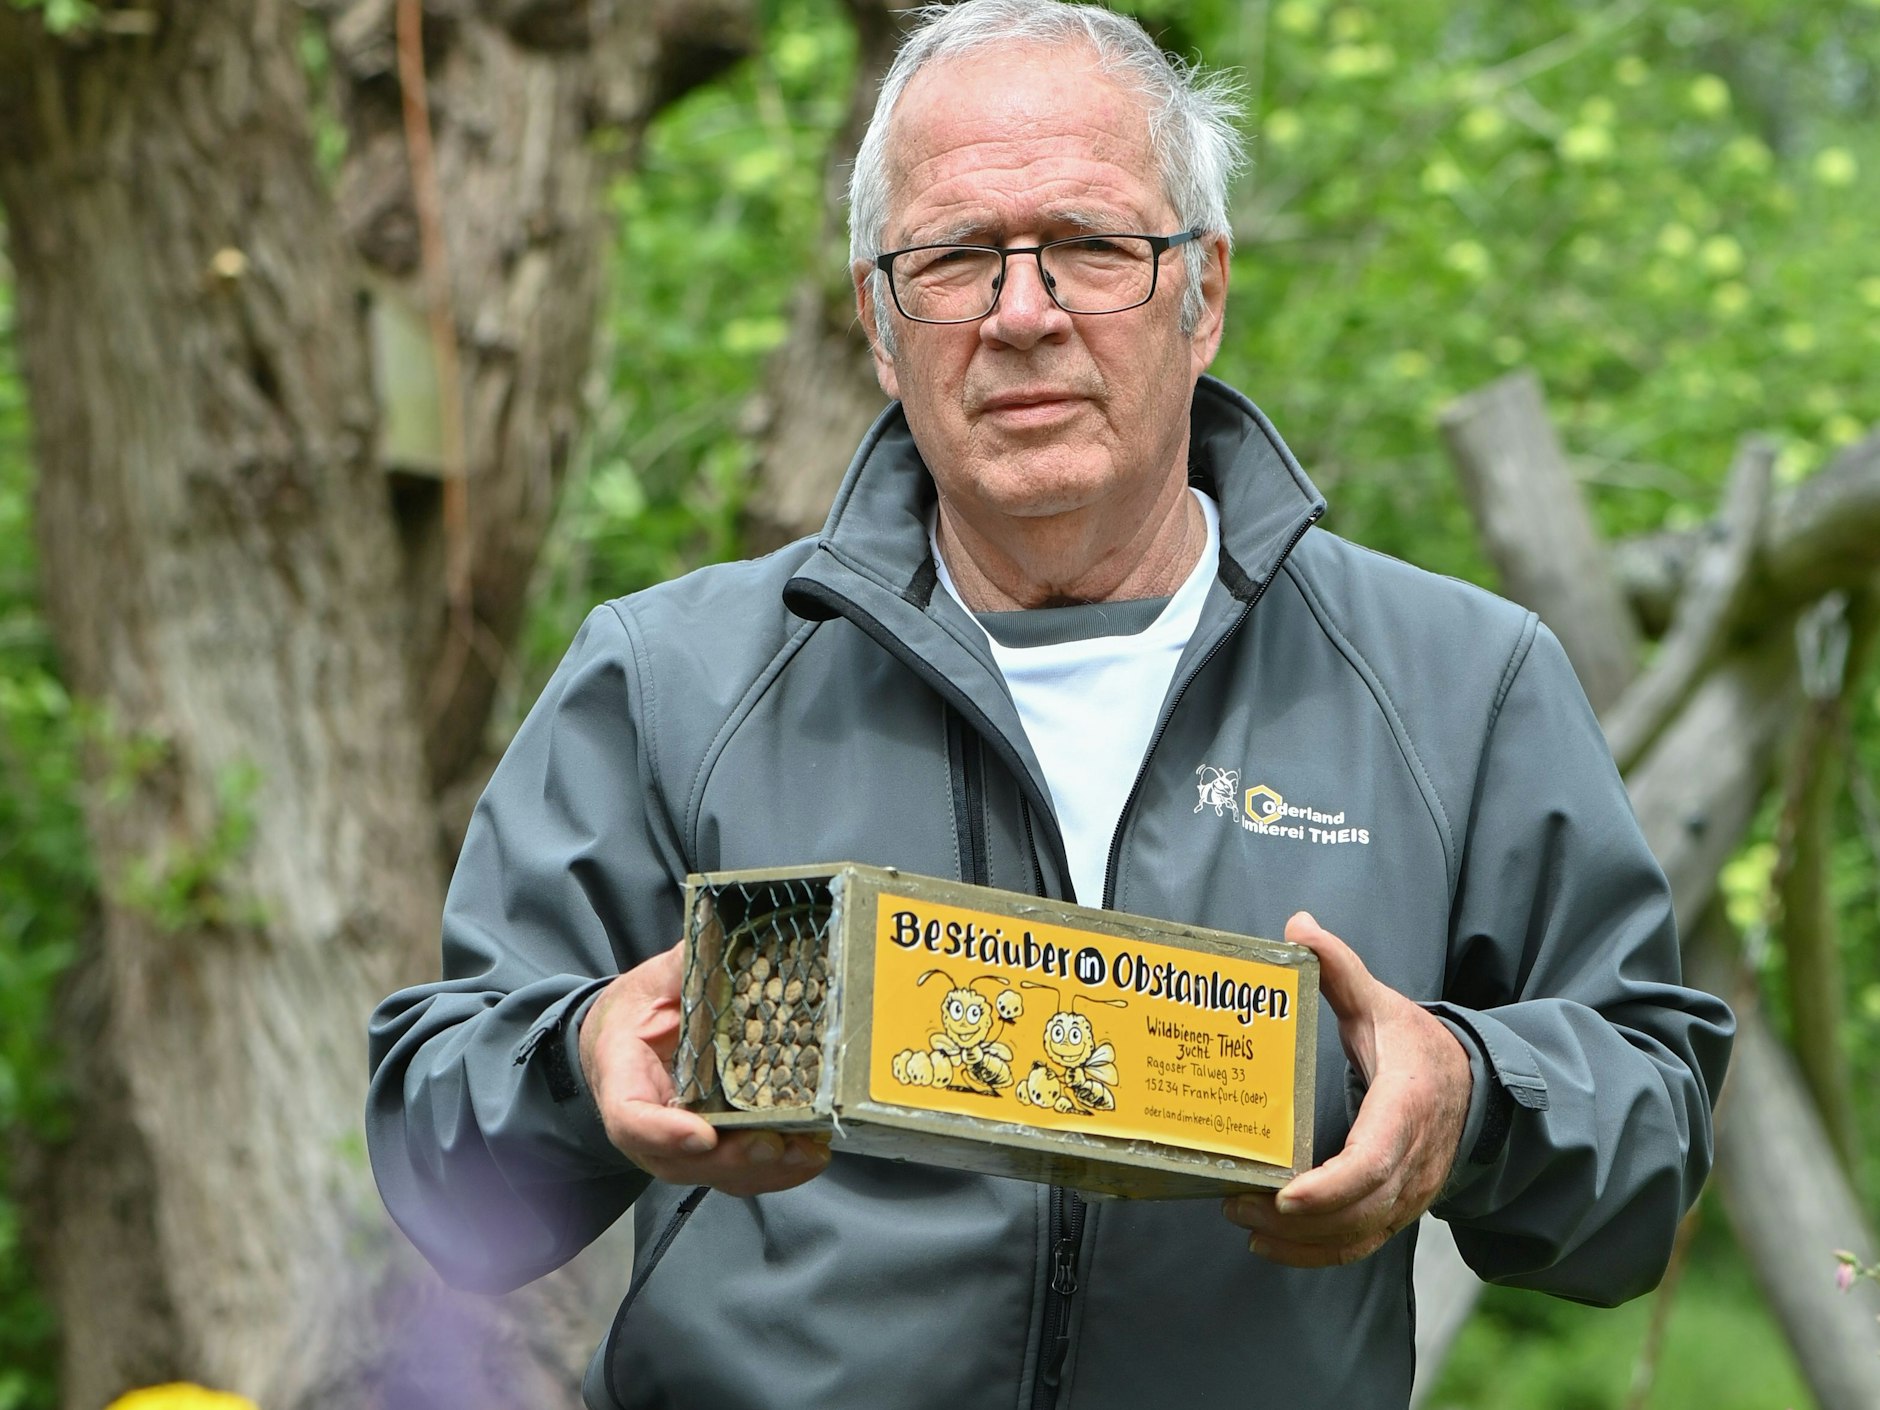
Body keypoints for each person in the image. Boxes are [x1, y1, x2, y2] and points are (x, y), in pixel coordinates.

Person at [366, 3, 1734, 1406]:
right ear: (881, 322)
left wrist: (1472, 1098)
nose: (1025, 313)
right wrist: (578, 1060)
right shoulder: (672, 675)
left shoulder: (1460, 681)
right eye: (956, 256)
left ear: (1203, 292)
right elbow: (438, 1144)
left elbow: (1649, 1145)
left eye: (1090, 244)